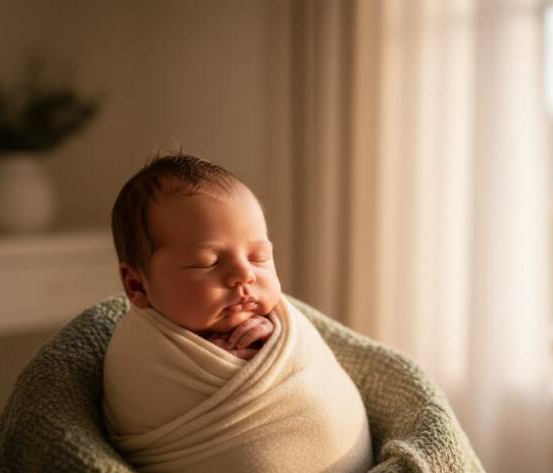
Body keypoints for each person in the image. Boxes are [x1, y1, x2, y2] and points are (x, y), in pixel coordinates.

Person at [103, 153, 373, 473]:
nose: (244, 275)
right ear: (136, 285)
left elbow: (308, 369)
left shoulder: (280, 322)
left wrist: (270, 347)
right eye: (208, 262)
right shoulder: (138, 347)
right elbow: (140, 403)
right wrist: (232, 367)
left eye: (259, 257)